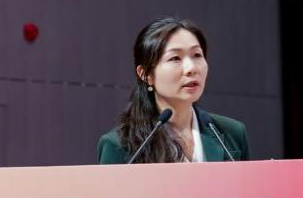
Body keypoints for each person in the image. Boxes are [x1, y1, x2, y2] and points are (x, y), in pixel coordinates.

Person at [97, 17, 250, 164]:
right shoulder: (118, 145)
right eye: (175, 58)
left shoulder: (232, 132)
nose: (191, 68)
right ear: (145, 74)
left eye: (197, 55)